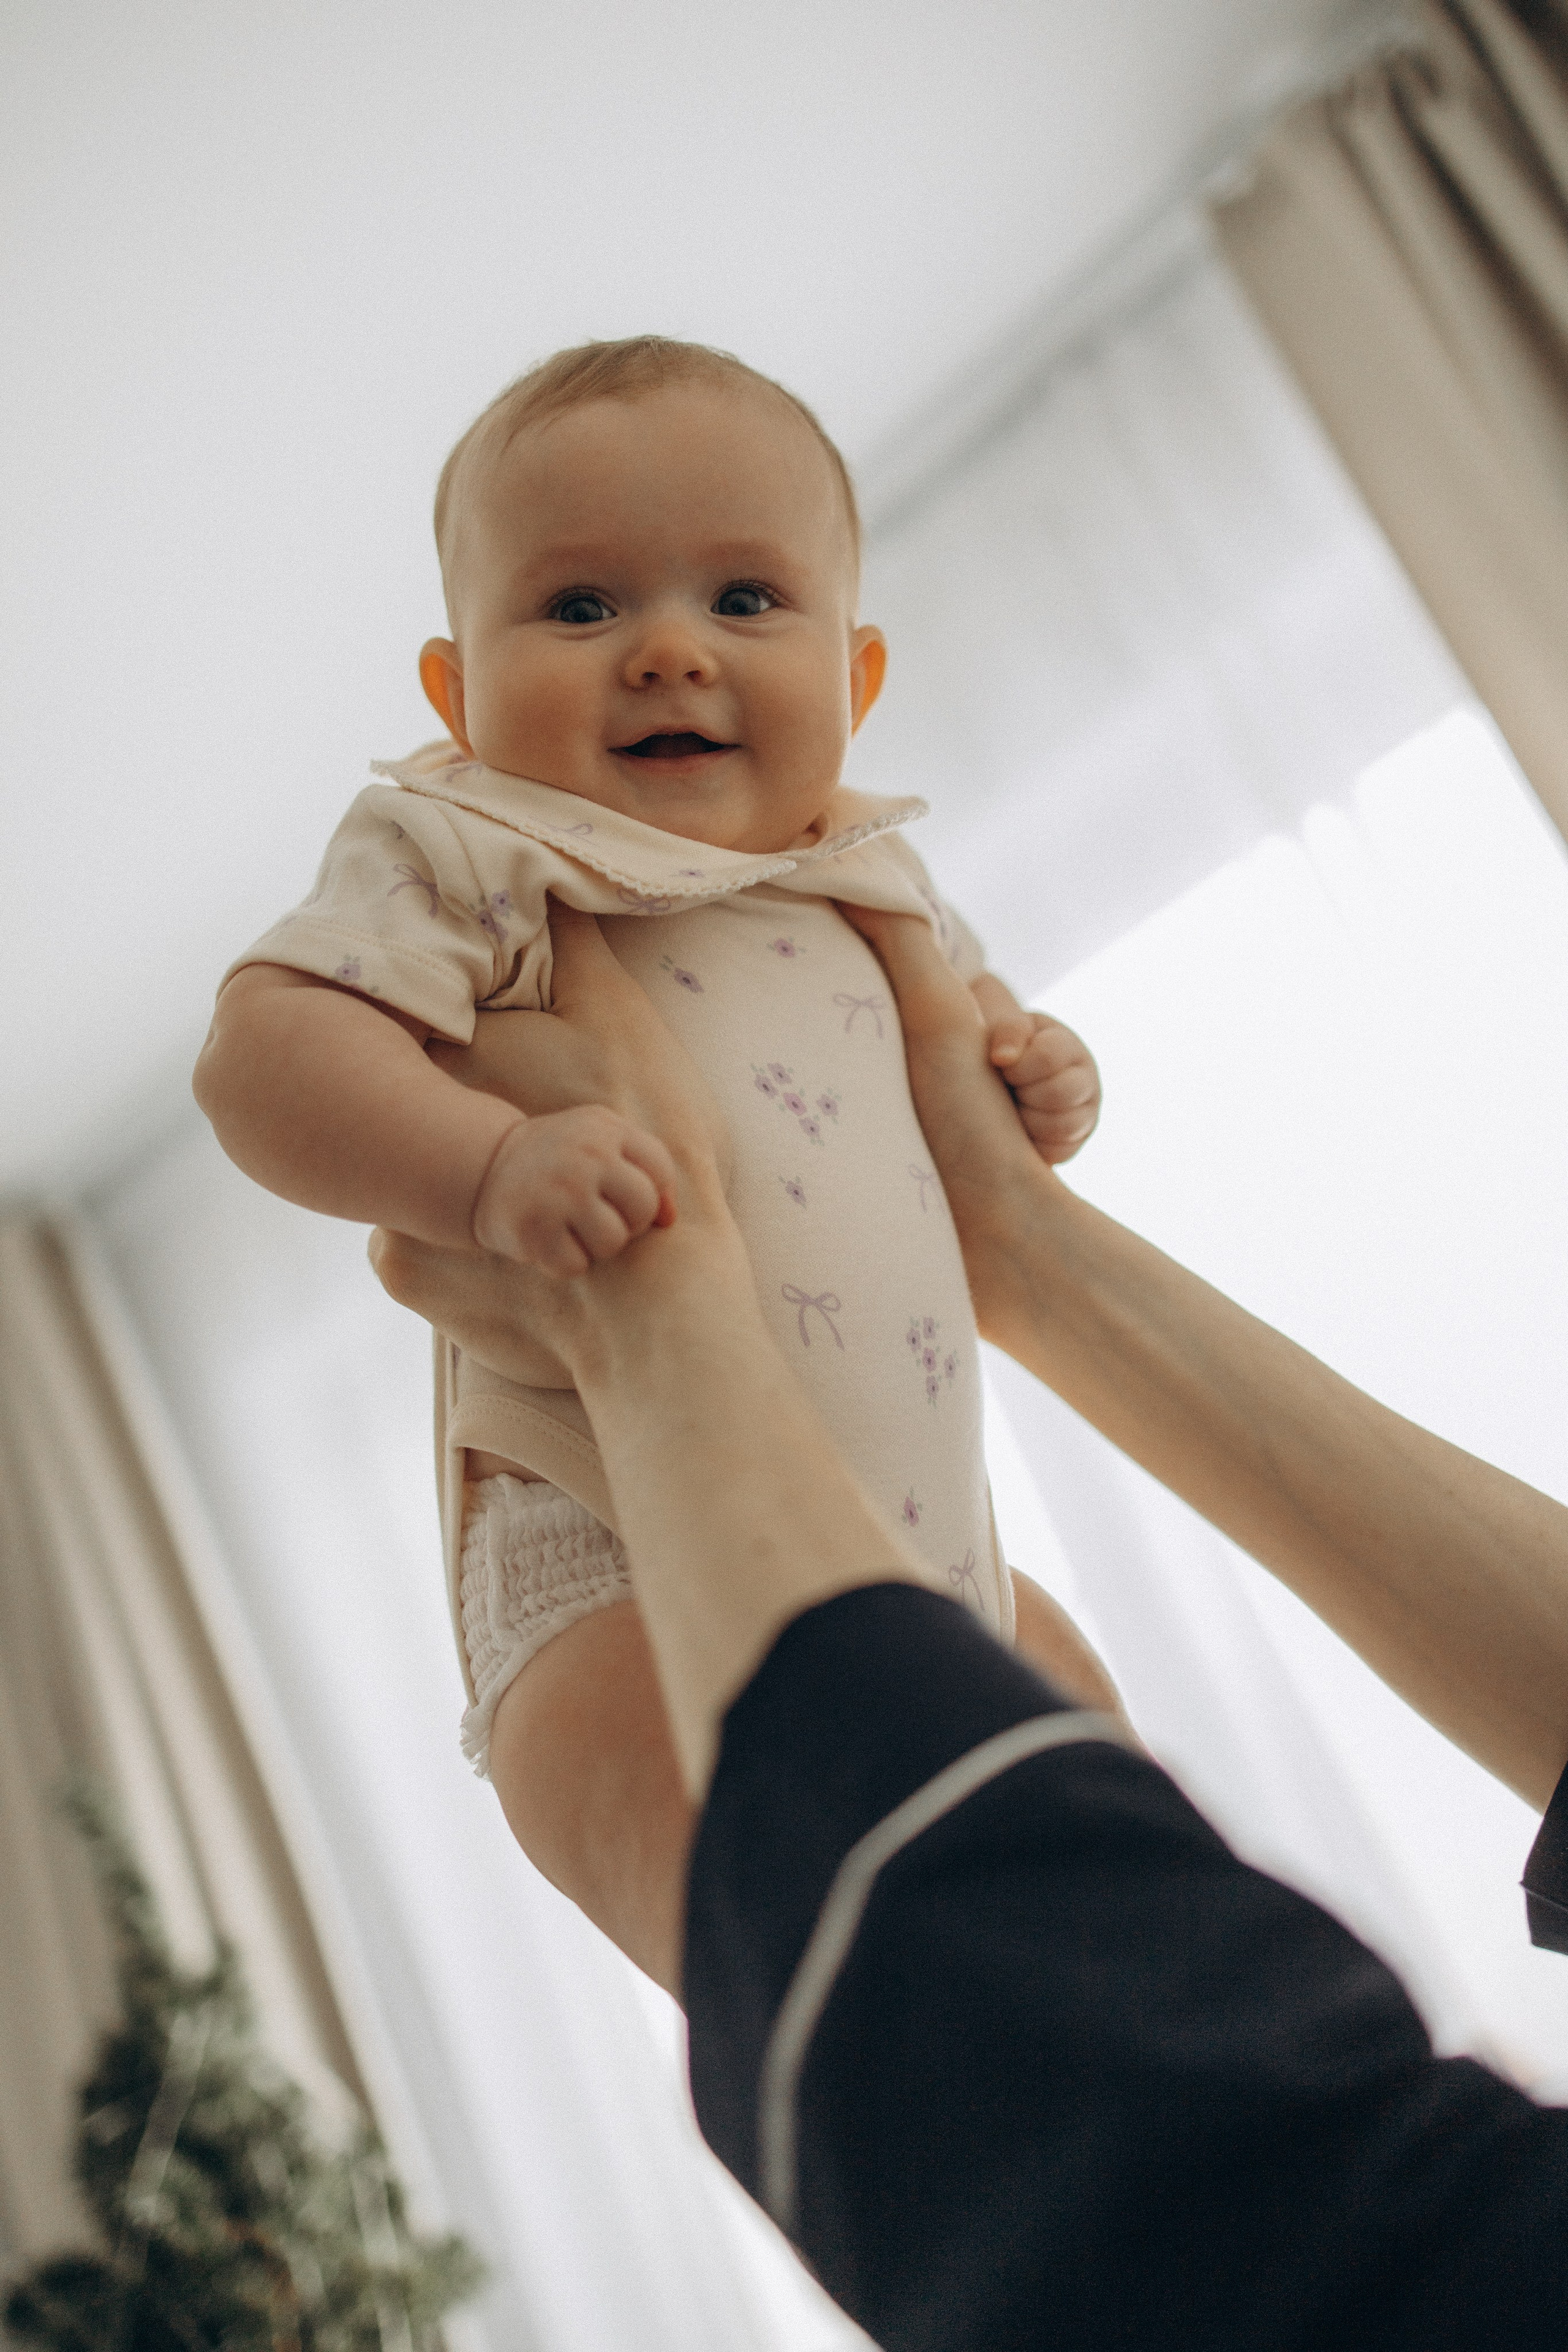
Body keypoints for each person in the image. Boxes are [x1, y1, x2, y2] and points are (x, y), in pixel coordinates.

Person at [373, 902, 1568, 2352]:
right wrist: (1018, 1238)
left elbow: (1181, 2197)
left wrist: (650, 1306)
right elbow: (264, 1057)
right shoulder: (447, 862)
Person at [192, 336, 1102, 1815]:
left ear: (855, 675)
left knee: (1107, 1815)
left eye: (744, 599)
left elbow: (971, 1049)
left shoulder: (870, 869)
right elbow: (265, 1054)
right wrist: (481, 1170)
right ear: (459, 697)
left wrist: (1033, 1069)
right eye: (577, 605)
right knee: (787, 1892)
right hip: (598, 1518)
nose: (668, 649)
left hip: (931, 1534)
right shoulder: (471, 846)